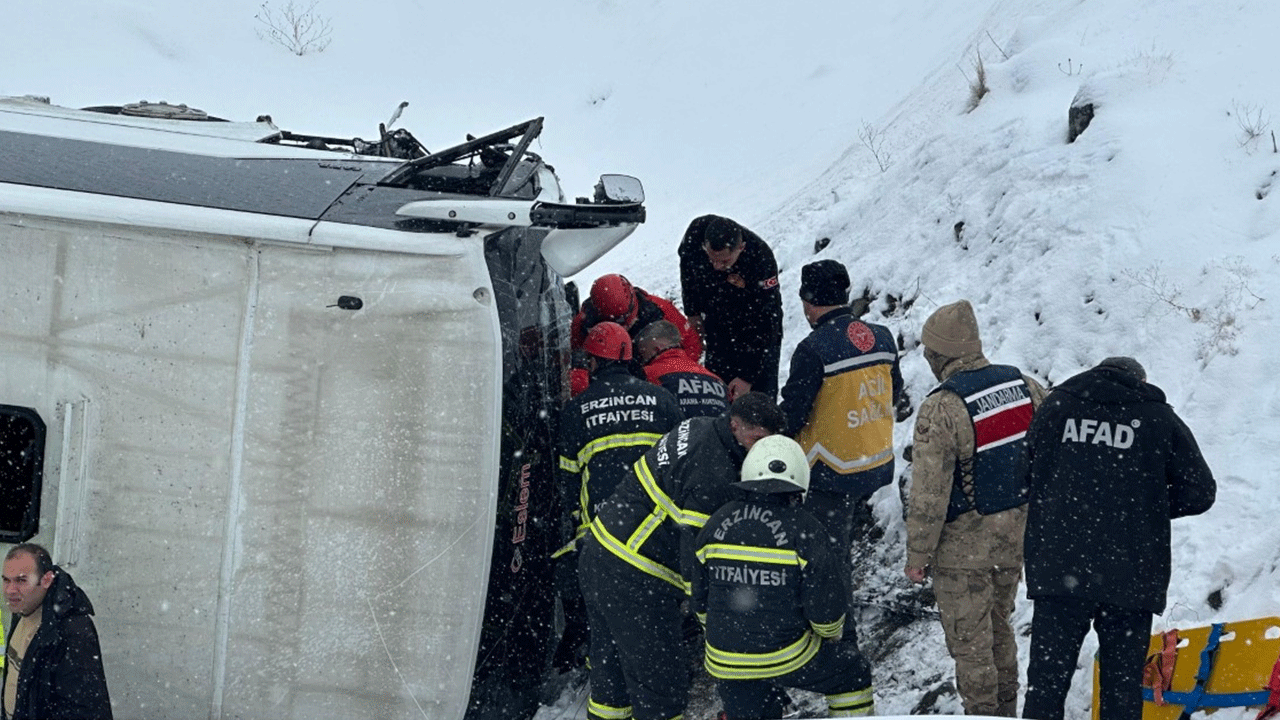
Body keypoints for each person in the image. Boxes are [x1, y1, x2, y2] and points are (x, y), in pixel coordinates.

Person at [1021, 356, 1215, 720]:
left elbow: (1024, 474)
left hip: (1060, 568)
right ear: (1139, 381)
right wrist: (1146, 508)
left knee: (1046, 684)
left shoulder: (1057, 407)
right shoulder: (1158, 419)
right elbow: (1201, 492)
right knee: (1121, 691)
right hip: (1130, 574)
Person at [579, 392, 786, 720]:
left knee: (612, 678)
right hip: (636, 573)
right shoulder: (713, 474)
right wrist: (714, 621)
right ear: (735, 425)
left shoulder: (702, 426)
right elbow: (699, 562)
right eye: (757, 439)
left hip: (601, 552)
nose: (763, 449)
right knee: (662, 686)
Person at [902, 298, 1047, 717]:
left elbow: (929, 494)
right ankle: (1007, 708)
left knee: (970, 646)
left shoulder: (942, 407)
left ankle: (983, 714)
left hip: (962, 550)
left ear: (941, 355)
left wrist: (918, 555)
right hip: (1014, 538)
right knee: (1001, 628)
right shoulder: (1024, 386)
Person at [693, 435, 875, 720]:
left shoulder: (716, 522)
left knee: (754, 708)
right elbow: (825, 611)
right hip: (785, 654)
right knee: (852, 672)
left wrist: (729, 636)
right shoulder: (805, 528)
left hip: (724, 658)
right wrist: (831, 635)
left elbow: (700, 600)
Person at [552, 322, 685, 674]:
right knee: (657, 608)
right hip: (657, 529)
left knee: (604, 619)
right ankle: (665, 660)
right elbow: (681, 467)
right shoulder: (662, 400)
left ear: (594, 362)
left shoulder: (576, 412)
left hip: (601, 535)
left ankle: (603, 668)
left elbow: (568, 484)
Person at [778, 260, 902, 601]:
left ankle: (837, 623)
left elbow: (793, 415)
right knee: (840, 548)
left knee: (826, 560)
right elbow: (895, 390)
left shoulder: (813, 349)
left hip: (830, 471)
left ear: (807, 301)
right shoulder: (882, 337)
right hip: (874, 461)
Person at [678, 215, 784, 400]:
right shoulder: (695, 234)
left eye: (724, 261)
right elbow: (687, 274)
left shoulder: (760, 258)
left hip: (755, 326)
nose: (717, 266)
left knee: (758, 399)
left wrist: (747, 377)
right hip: (717, 318)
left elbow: (768, 320)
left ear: (741, 248)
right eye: (712, 259)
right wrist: (692, 312)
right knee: (717, 392)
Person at [2, 543, 112, 720]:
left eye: (21, 580)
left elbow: (85, 711)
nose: (10, 590)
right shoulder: (23, 607)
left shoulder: (72, 631)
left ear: (46, 580)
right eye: (6, 580)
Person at [569, 273, 703, 396]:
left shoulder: (659, 310)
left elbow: (691, 345)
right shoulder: (583, 325)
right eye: (617, 322)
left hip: (659, 381)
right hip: (611, 387)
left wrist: (662, 376)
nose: (624, 327)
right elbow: (578, 364)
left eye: (625, 320)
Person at [636, 320, 729, 419]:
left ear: (656, 349)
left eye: (643, 354)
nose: (643, 361)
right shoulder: (718, 381)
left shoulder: (648, 375)